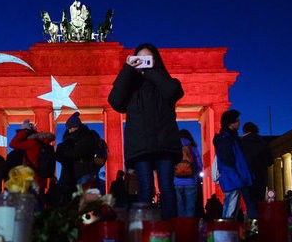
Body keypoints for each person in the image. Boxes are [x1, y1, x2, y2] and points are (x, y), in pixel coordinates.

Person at [108, 43, 184, 220]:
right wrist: (127, 70)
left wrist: (150, 72)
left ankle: (170, 229)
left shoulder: (165, 81)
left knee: (166, 187)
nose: (142, 62)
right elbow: (115, 101)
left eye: (147, 59)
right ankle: (144, 232)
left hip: (164, 142)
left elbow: (173, 92)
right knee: (145, 187)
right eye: (138, 59)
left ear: (155, 61)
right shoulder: (130, 85)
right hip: (141, 145)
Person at [213, 109, 258, 220]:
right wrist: (235, 175)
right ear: (230, 122)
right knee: (230, 207)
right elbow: (226, 160)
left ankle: (228, 231)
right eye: (237, 120)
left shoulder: (232, 138)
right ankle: (225, 232)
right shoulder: (226, 139)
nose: (239, 122)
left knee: (233, 206)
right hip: (232, 176)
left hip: (237, 175)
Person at [55, 112, 99, 205]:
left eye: (71, 127)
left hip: (84, 173)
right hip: (72, 175)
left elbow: (79, 152)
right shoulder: (69, 140)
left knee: (85, 202)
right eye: (68, 128)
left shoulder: (88, 137)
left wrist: (65, 153)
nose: (70, 130)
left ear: (78, 125)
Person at [8, 119, 56, 197]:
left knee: (30, 204)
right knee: (39, 202)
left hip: (31, 180)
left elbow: (13, 144)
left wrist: (23, 131)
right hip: (42, 179)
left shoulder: (31, 143)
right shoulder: (44, 143)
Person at [240, 122, 273, 202]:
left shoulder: (241, 142)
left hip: (246, 178)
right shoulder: (263, 142)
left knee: (250, 203)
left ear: (244, 131)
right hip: (261, 179)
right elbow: (270, 161)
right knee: (260, 202)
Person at [174, 129, 203, 217]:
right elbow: (200, 165)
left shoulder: (174, 148)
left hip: (176, 182)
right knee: (190, 208)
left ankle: (180, 229)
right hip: (191, 181)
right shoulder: (193, 148)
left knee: (179, 208)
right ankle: (189, 228)